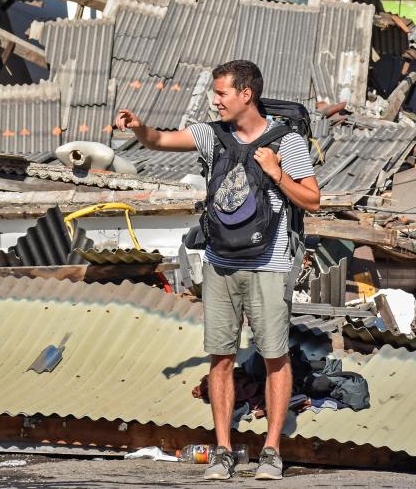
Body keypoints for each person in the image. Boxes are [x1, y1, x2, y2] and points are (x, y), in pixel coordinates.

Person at [115, 59, 320, 481]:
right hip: (221, 263)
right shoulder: (212, 134)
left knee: (274, 357)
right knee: (221, 356)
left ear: (246, 94)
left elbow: (313, 201)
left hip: (269, 264)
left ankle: (270, 451)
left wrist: (276, 173)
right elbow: (158, 140)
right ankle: (224, 450)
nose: (215, 100)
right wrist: (139, 128)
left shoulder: (288, 142)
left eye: (222, 93)